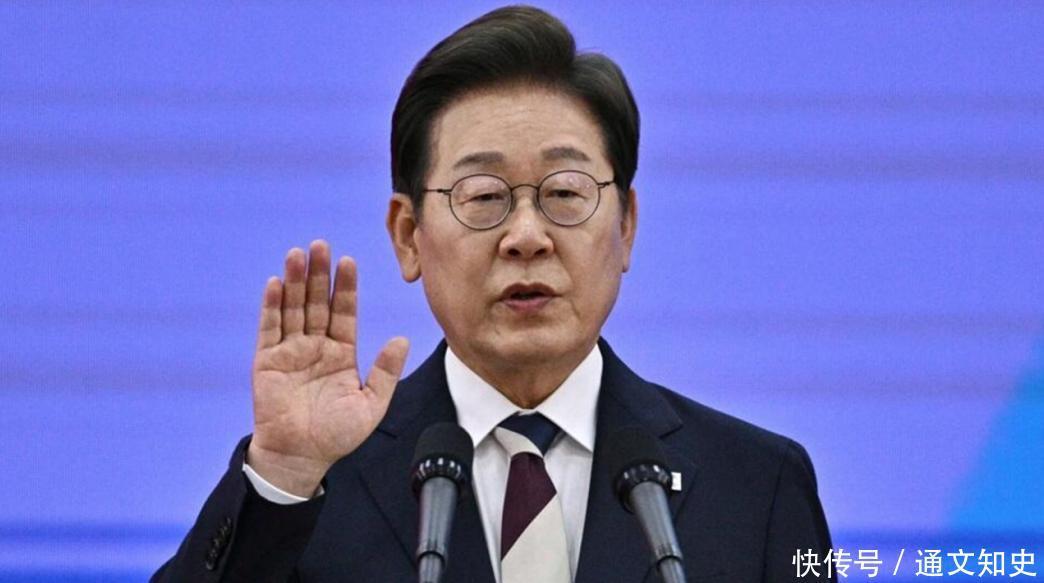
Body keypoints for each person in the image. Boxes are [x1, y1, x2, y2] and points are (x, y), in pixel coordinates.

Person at [153, 5, 833, 582]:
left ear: (625, 226)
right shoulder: (318, 478)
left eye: (565, 192)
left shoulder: (758, 484)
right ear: (409, 235)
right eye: (483, 197)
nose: (527, 236)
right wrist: (282, 477)